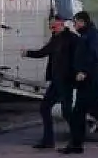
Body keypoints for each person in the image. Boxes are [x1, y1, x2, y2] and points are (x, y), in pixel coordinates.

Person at [22, 16, 78, 149]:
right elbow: (44, 51)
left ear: (62, 24)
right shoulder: (55, 38)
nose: (52, 28)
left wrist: (77, 73)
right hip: (56, 80)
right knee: (45, 107)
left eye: (54, 25)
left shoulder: (72, 39)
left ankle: (76, 138)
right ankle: (48, 140)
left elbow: (78, 57)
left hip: (66, 80)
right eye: (51, 26)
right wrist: (28, 53)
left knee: (67, 111)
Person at [63, 11, 98, 155]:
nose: (74, 25)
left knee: (89, 110)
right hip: (89, 79)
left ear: (82, 22)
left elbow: (93, 55)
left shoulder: (92, 35)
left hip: (91, 79)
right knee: (84, 111)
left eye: (75, 22)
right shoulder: (86, 35)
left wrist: (84, 71)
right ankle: (76, 144)